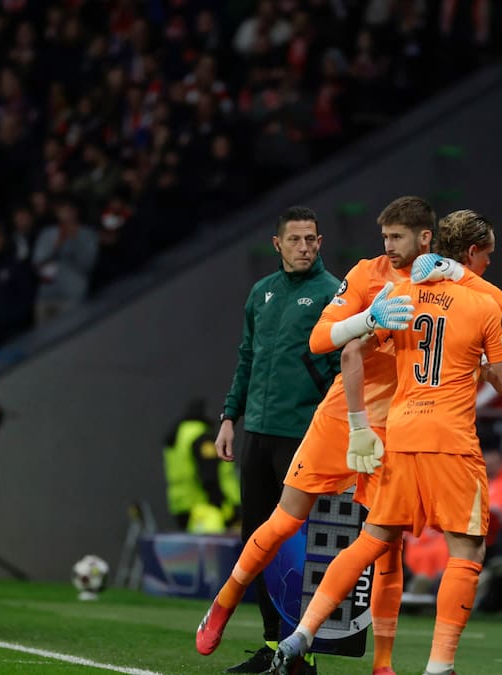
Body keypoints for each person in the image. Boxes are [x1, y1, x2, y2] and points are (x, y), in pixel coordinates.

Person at [196, 197, 428, 674]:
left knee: (378, 542)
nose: (388, 247)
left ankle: (367, 661)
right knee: (272, 527)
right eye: (384, 237)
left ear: (426, 239)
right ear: (277, 243)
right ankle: (230, 610)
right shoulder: (347, 278)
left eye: (397, 237)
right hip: (310, 424)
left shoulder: (439, 287)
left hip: (382, 428)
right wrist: (229, 416)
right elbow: (310, 346)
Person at [267, 251, 502, 675]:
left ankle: (302, 633)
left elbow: (349, 354)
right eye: (490, 254)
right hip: (451, 441)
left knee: (371, 540)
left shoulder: (401, 296)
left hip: (400, 435)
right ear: (474, 257)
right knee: (466, 549)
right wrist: (483, 365)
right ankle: (439, 667)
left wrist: (358, 425)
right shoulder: (483, 304)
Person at [201, 206, 341, 673]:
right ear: (276, 244)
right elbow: (247, 359)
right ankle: (269, 644)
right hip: (257, 434)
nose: (306, 247)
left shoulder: (333, 293)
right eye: (296, 239)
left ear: (320, 243)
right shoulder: (261, 293)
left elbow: (344, 369)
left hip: (303, 436)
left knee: (298, 547)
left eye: (312, 239)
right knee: (255, 541)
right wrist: (228, 418)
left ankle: (301, 650)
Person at [163, 399, 241, 534]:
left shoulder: (178, 435)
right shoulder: (200, 436)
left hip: (181, 505)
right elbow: (209, 475)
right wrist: (223, 505)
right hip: (207, 509)